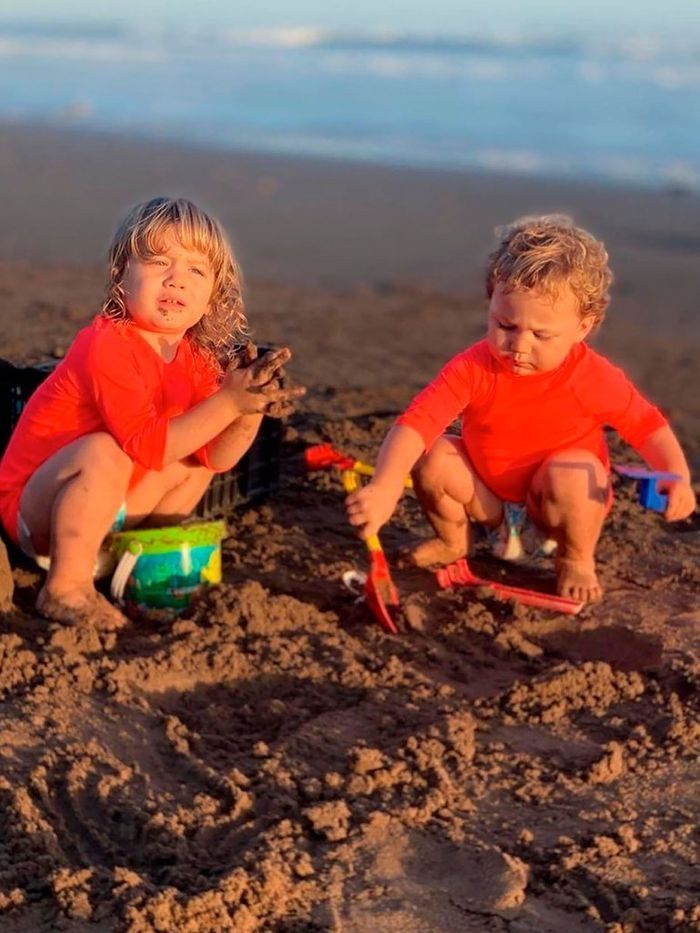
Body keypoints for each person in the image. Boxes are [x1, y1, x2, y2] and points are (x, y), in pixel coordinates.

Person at [345, 215, 696, 604]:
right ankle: (455, 541)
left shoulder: (592, 376)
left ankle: (575, 558)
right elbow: (416, 424)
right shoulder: (474, 367)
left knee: (574, 471)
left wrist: (677, 476)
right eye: (505, 325)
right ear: (491, 298)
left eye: (541, 335)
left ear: (583, 327)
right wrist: (386, 486)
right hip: (489, 504)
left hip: (557, 513)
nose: (519, 345)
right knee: (434, 455)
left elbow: (646, 425)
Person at [0, 196, 305, 628]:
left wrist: (248, 408)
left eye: (196, 270)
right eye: (159, 262)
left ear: (213, 296)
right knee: (104, 451)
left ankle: (140, 567)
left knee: (197, 461)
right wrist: (227, 402)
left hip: (113, 515)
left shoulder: (198, 359)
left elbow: (219, 459)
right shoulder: (106, 344)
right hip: (38, 515)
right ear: (120, 276)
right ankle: (65, 588)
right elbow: (147, 447)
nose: (176, 280)